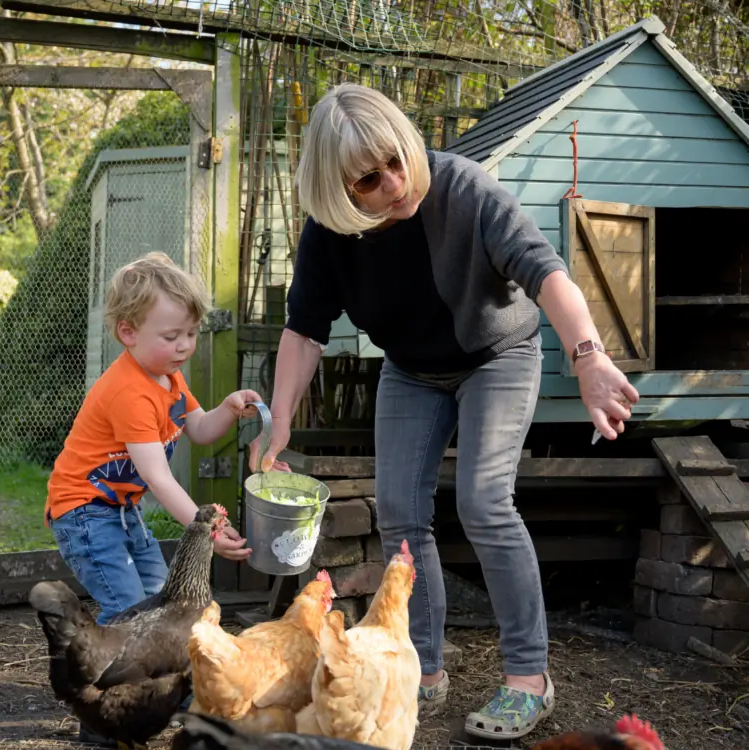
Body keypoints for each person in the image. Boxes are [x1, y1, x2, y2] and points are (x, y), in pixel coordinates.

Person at [249, 83, 640, 742]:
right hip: (412, 369)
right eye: (368, 179)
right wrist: (280, 419)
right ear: (339, 190)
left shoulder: (465, 190)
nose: (394, 183)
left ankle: (529, 678)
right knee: (400, 511)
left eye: (397, 160)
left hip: (497, 356)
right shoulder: (330, 235)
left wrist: (589, 356)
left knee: (484, 501)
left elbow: (548, 274)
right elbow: (304, 330)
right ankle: (421, 669)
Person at [45, 251, 258, 629]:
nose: (185, 346)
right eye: (171, 336)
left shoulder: (168, 376)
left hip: (124, 510)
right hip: (84, 512)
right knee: (128, 609)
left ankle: (145, 666)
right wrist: (206, 531)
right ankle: (105, 667)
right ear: (128, 333)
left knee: (162, 597)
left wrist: (227, 409)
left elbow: (200, 428)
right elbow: (158, 478)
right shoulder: (129, 393)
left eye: (191, 333)